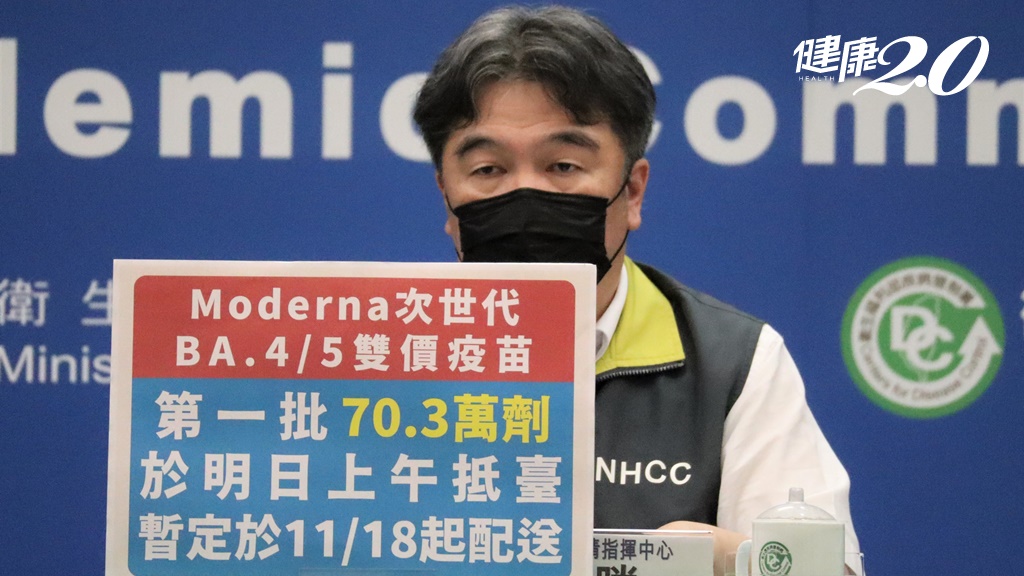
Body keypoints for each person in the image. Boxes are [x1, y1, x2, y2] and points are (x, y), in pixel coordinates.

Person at [413, 5, 859, 573]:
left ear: (633, 192)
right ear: (446, 198)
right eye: (488, 170)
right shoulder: (369, 353)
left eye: (563, 166)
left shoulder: (733, 364)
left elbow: (822, 565)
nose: (525, 194)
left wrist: (734, 561)